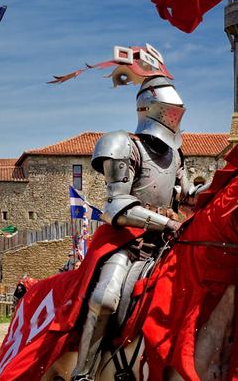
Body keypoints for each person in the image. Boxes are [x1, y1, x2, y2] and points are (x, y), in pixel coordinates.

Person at [71, 55, 186, 379]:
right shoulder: (122, 144)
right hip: (126, 243)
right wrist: (168, 222)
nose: (174, 117)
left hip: (167, 244)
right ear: (149, 109)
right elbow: (116, 207)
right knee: (105, 298)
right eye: (169, 111)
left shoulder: (177, 153)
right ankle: (83, 372)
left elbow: (186, 196)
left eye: (178, 112)